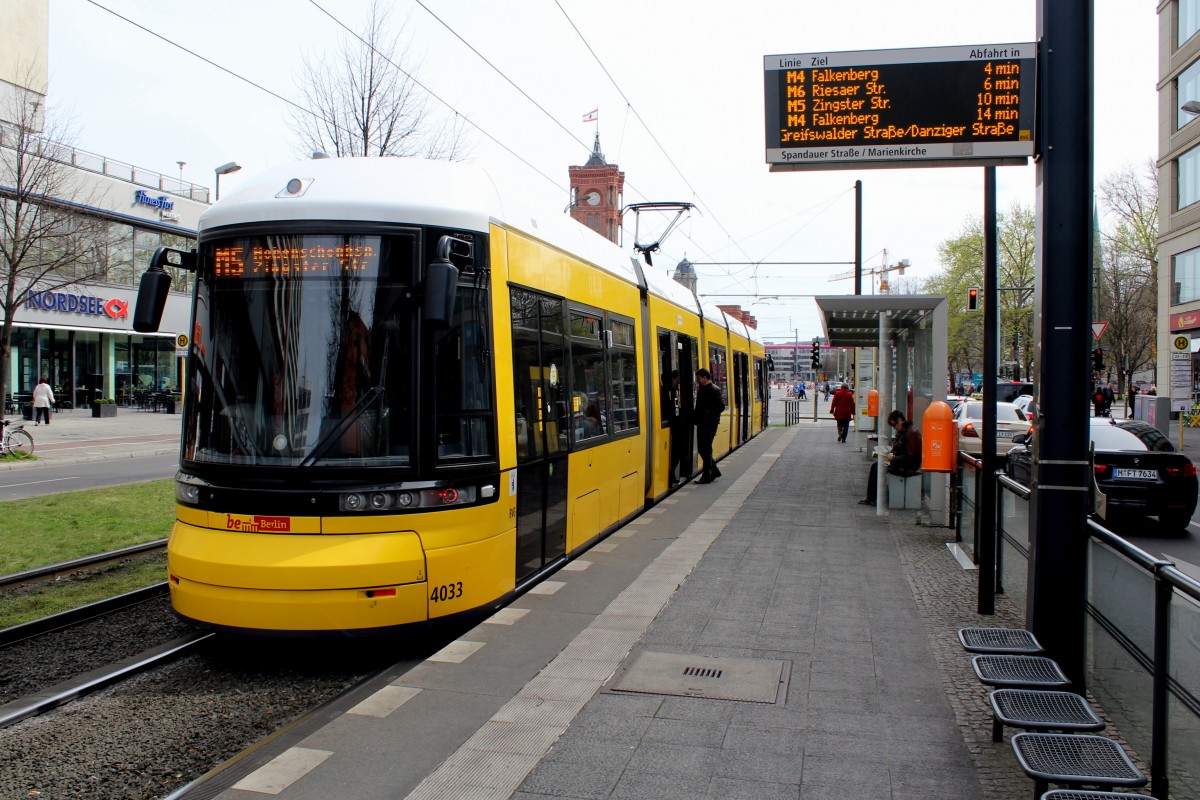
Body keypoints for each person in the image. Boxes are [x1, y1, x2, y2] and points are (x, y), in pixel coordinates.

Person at [859, 410, 922, 505]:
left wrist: (893, 458)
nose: (894, 428)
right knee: (875, 466)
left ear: (899, 420)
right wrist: (890, 453)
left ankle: (872, 498)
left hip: (907, 466)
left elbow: (912, 457)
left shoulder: (911, 433)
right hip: (900, 462)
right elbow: (899, 447)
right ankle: (870, 498)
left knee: (877, 468)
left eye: (894, 425)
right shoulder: (903, 431)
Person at [693, 368, 725, 484]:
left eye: (698, 378)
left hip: (709, 424)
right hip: (702, 423)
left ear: (705, 378)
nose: (697, 380)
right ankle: (714, 471)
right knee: (703, 449)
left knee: (705, 449)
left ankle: (707, 475)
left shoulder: (715, 390)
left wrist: (708, 415)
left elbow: (721, 406)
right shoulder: (702, 389)